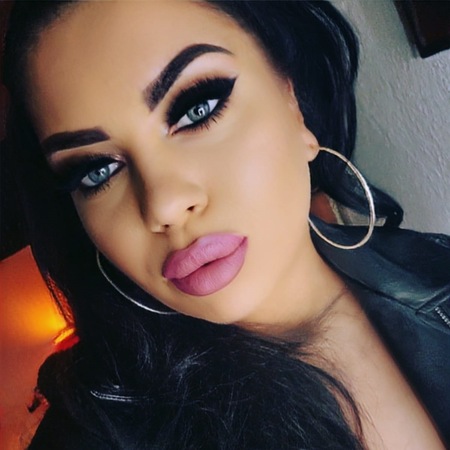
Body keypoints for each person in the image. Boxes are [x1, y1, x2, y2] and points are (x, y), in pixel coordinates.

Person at [2, 1, 449, 448]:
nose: (164, 205)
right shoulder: (94, 435)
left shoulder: (437, 269)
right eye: (97, 170)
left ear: (291, 100)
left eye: (198, 109)